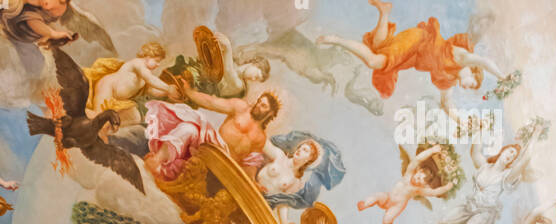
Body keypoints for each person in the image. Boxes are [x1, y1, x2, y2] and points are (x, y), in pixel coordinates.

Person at [317, 1, 503, 100]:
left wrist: (463, 125)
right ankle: (336, 40)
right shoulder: (462, 57)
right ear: (473, 72)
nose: (467, 87)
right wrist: (504, 78)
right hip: (419, 40)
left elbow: (447, 105)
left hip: (414, 57)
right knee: (376, 61)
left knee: (380, 50)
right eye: (473, 84)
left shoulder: (449, 79)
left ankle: (384, 12)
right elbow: (485, 62)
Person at [146, 83, 281, 180]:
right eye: (259, 101)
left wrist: (252, 182)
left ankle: (166, 169)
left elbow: (249, 164)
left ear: (270, 113)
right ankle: (157, 160)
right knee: (189, 128)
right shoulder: (241, 107)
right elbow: (212, 102)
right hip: (212, 144)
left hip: (225, 165)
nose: (257, 105)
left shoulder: (260, 138)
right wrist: (189, 92)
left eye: (263, 106)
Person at [358, 144, 453, 224]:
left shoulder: (416, 190)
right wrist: (432, 150)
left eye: (421, 181)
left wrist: (446, 188)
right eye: (418, 177)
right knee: (377, 197)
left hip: (396, 206)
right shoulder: (408, 174)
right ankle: (365, 204)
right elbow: (417, 159)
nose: (417, 180)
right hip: (387, 197)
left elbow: (433, 192)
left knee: (387, 219)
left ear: (424, 184)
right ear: (418, 171)